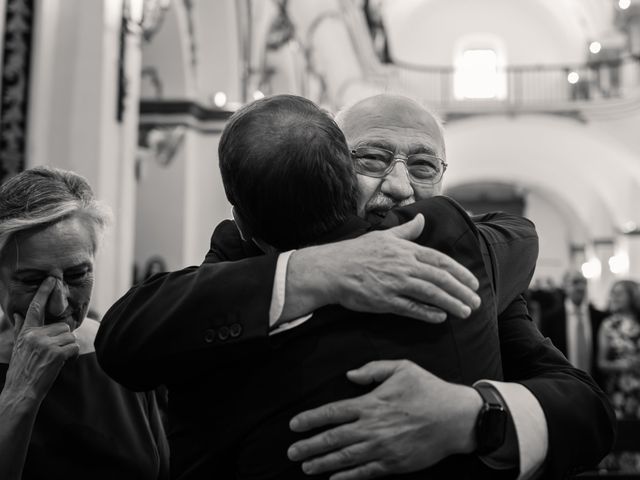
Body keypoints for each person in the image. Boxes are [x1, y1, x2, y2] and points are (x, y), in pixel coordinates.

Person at [96, 94, 615, 479]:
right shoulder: (249, 248)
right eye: (371, 158)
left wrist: (475, 416)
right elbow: (134, 335)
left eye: (423, 166)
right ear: (330, 169)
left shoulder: (467, 266)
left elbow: (586, 412)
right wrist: (312, 271)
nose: (400, 185)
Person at [0, 167, 169, 480]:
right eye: (32, 280)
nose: (59, 304)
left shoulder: (121, 353)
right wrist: (20, 393)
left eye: (77, 276)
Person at [540, 270, 607, 380]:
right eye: (575, 282)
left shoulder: (599, 317)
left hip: (595, 382)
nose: (580, 287)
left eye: (583, 282)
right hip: (563, 381)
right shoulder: (550, 318)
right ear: (565, 286)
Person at [597, 279, 640, 419]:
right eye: (612, 293)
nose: (614, 297)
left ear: (632, 296)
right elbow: (601, 363)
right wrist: (624, 365)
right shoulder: (608, 325)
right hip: (619, 392)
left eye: (619, 293)